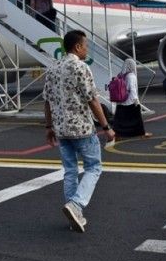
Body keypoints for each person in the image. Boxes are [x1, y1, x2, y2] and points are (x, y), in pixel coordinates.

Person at [43, 30, 115, 233]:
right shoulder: (80, 67)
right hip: (82, 128)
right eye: (86, 46)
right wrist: (106, 127)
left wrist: (49, 127)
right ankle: (76, 205)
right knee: (93, 167)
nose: (87, 50)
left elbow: (47, 101)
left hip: (61, 130)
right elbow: (92, 99)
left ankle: (75, 215)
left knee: (70, 172)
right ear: (77, 47)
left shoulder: (52, 68)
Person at [112, 58, 152, 138]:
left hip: (121, 101)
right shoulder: (131, 76)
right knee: (137, 119)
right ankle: (141, 133)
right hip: (130, 101)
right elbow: (132, 89)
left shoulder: (120, 75)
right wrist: (136, 101)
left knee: (119, 120)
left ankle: (117, 135)